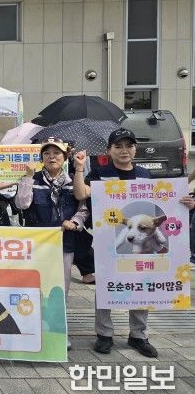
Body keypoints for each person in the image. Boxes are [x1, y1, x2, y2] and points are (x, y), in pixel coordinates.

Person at [72, 127, 195, 358]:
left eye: (129, 145)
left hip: (143, 245)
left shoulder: (145, 175)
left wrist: (186, 202)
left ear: (135, 149)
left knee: (142, 283)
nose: (124, 150)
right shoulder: (100, 174)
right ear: (109, 150)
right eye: (118, 146)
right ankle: (104, 334)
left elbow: (166, 200)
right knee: (107, 285)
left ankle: (138, 335)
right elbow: (80, 194)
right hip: (109, 242)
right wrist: (79, 168)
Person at [15, 137, 89, 350]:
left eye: (56, 153)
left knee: (59, 289)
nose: (51, 157)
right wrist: (28, 177)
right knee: (34, 287)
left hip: (64, 244)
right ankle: (32, 329)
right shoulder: (32, 178)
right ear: (41, 158)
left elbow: (83, 209)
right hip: (37, 245)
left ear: (65, 157)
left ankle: (57, 332)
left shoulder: (73, 181)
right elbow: (21, 204)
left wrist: (75, 222)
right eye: (47, 153)